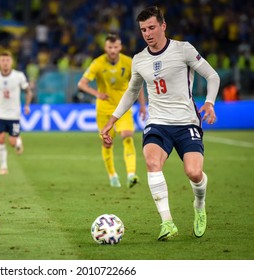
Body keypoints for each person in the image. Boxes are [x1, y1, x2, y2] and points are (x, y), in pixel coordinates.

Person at [101, 6, 220, 241]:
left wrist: (210, 103)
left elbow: (212, 76)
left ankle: (199, 204)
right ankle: (167, 222)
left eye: (152, 27)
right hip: (157, 122)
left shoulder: (183, 49)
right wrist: (112, 121)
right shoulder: (139, 60)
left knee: (194, 173)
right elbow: (131, 92)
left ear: (163, 26)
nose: (147, 33)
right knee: (152, 162)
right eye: (143, 29)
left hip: (187, 123)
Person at [78, 33, 147, 188]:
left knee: (127, 135)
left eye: (116, 47)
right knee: (107, 143)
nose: (113, 50)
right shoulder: (97, 63)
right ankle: (112, 176)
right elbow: (81, 84)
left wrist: (142, 105)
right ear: (105, 47)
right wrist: (97, 94)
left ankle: (131, 174)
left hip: (123, 108)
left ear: (120, 47)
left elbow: (138, 85)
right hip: (104, 109)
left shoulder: (128, 62)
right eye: (110, 47)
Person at [0, 51, 33, 175]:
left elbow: (28, 91)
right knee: (1, 138)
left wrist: (27, 105)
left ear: (12, 62)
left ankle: (18, 141)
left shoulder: (19, 76)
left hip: (14, 114)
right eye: (3, 60)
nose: (5, 63)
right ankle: (3, 167)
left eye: (7, 60)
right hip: (0, 113)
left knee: (12, 142)